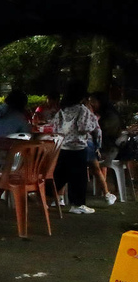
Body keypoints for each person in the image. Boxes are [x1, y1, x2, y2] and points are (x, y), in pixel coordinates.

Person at [52, 82, 100, 214]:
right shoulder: (81, 110)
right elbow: (83, 127)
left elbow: (55, 127)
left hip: (63, 146)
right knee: (78, 177)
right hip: (78, 147)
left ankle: (46, 194)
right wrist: (93, 126)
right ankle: (77, 204)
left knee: (60, 174)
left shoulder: (62, 110)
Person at [88, 91, 121, 205]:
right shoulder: (99, 113)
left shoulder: (110, 115)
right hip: (100, 146)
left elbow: (101, 133)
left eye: (93, 101)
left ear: (100, 102)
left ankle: (103, 191)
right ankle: (103, 191)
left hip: (110, 148)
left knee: (94, 160)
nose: (91, 103)